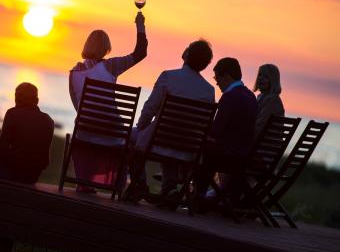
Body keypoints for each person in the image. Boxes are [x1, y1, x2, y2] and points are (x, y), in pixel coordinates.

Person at [68, 12, 148, 192]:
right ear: (106, 48)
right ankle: (136, 184)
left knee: (99, 132)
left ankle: (85, 183)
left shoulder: (74, 72)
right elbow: (140, 53)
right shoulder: (111, 66)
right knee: (138, 137)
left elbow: (78, 107)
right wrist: (140, 25)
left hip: (85, 132)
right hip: (112, 134)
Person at [131, 39, 215, 198]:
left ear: (187, 54)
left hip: (159, 140)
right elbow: (205, 124)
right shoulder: (209, 90)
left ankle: (139, 185)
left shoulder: (168, 77)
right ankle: (169, 189)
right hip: (188, 147)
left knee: (130, 139)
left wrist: (141, 127)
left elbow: (150, 109)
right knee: (172, 143)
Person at [195, 57, 258, 208]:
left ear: (227, 76)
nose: (216, 82)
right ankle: (209, 196)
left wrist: (201, 130)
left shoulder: (229, 97)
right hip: (243, 156)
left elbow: (217, 130)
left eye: (217, 78)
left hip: (227, 157)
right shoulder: (251, 96)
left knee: (200, 147)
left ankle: (198, 196)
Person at [0, 82, 55, 184]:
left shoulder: (12, 113)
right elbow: (44, 162)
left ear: (16, 99)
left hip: (11, 172)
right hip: (32, 177)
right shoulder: (49, 120)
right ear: (37, 101)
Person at [254, 64, 285, 137]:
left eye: (266, 77)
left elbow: (259, 127)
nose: (260, 78)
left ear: (273, 81)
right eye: (259, 75)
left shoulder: (272, 100)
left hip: (265, 144)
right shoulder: (261, 97)